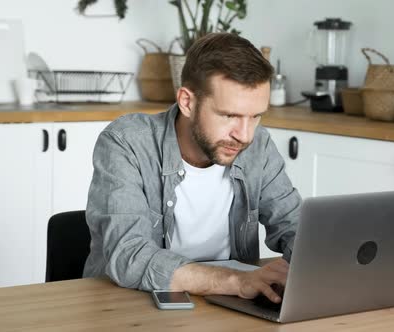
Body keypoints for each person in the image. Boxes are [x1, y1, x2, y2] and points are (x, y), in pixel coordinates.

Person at [83, 33, 301, 304]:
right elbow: (130, 256)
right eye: (229, 115)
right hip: (129, 305)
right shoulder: (127, 142)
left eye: (255, 116)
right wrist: (235, 281)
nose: (244, 135)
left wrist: (322, 262)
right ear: (187, 102)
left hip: (228, 306)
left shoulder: (258, 145)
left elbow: (294, 226)